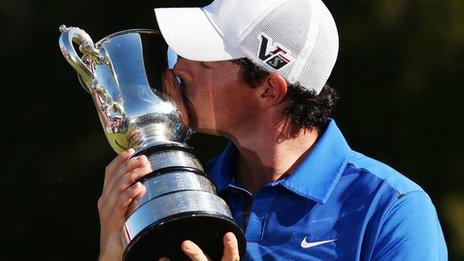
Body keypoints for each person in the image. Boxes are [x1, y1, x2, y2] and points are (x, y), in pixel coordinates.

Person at [97, 0, 448, 260]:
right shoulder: (181, 190)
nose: (180, 69)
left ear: (270, 89)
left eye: (203, 60)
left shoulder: (391, 209)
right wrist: (112, 252)